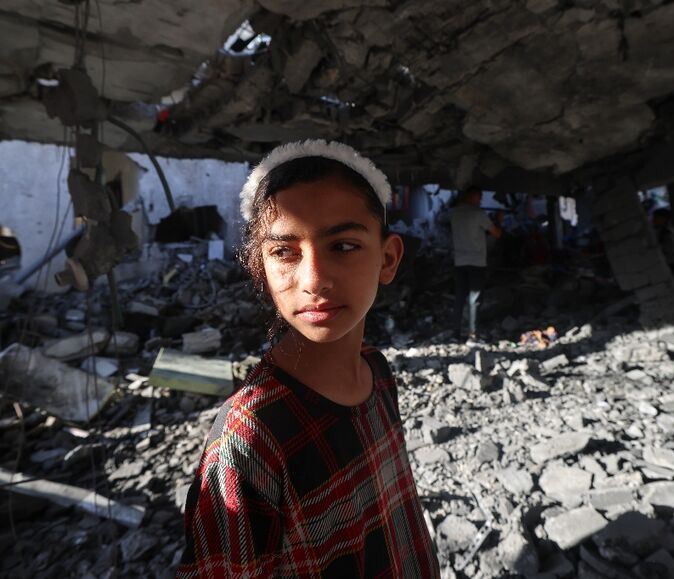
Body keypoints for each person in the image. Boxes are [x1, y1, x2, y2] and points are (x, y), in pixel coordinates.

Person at [176, 140, 439, 578]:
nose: (313, 280)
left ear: (388, 259)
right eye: (284, 252)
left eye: (344, 246)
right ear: (261, 266)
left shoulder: (376, 371)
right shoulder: (249, 439)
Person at [449, 185, 502, 344]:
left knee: (459, 297)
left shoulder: (455, 213)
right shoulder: (478, 214)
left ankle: (455, 333)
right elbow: (496, 233)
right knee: (475, 298)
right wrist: (499, 220)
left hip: (459, 261)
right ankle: (473, 335)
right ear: (472, 196)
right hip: (476, 262)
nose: (480, 201)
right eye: (479, 198)